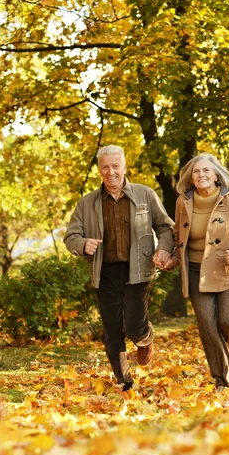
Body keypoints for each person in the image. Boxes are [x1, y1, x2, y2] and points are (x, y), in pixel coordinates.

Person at [63, 145, 174, 391]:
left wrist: (164, 249)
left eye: (116, 166)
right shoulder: (87, 203)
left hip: (138, 269)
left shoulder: (145, 194)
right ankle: (125, 381)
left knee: (134, 327)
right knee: (112, 330)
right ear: (99, 170)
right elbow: (70, 237)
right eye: (105, 167)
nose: (111, 171)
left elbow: (166, 227)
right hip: (104, 272)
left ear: (124, 167)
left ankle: (145, 339)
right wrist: (83, 244)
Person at [162, 153, 229, 393]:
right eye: (196, 171)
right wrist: (172, 258)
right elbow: (177, 237)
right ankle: (223, 379)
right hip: (195, 272)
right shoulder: (183, 202)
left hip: (228, 270)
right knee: (207, 326)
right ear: (190, 178)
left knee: (227, 320)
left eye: (206, 171)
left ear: (216, 175)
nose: (201, 175)